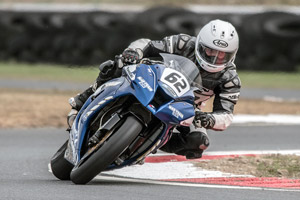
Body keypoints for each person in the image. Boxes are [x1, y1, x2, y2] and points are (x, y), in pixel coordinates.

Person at [68, 19, 241, 159]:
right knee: (117, 64)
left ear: (232, 54)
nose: (215, 57)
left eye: (221, 55)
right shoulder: (183, 43)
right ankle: (82, 100)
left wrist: (209, 119)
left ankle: (151, 143)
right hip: (153, 79)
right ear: (200, 44)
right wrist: (134, 52)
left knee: (199, 142)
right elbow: (148, 44)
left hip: (185, 106)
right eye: (210, 51)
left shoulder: (229, 79)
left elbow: (226, 115)